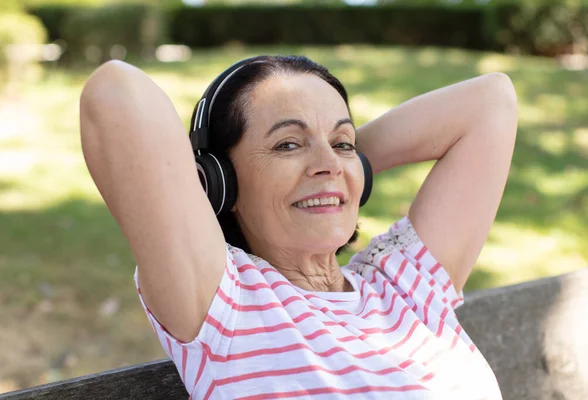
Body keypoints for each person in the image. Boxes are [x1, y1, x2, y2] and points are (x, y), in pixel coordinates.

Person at [79, 54, 517, 399]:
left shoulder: (404, 287)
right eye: (287, 144)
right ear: (222, 182)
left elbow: (492, 101)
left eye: (343, 143)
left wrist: (350, 171)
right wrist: (201, 189)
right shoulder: (227, 304)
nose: (328, 163)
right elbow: (116, 92)